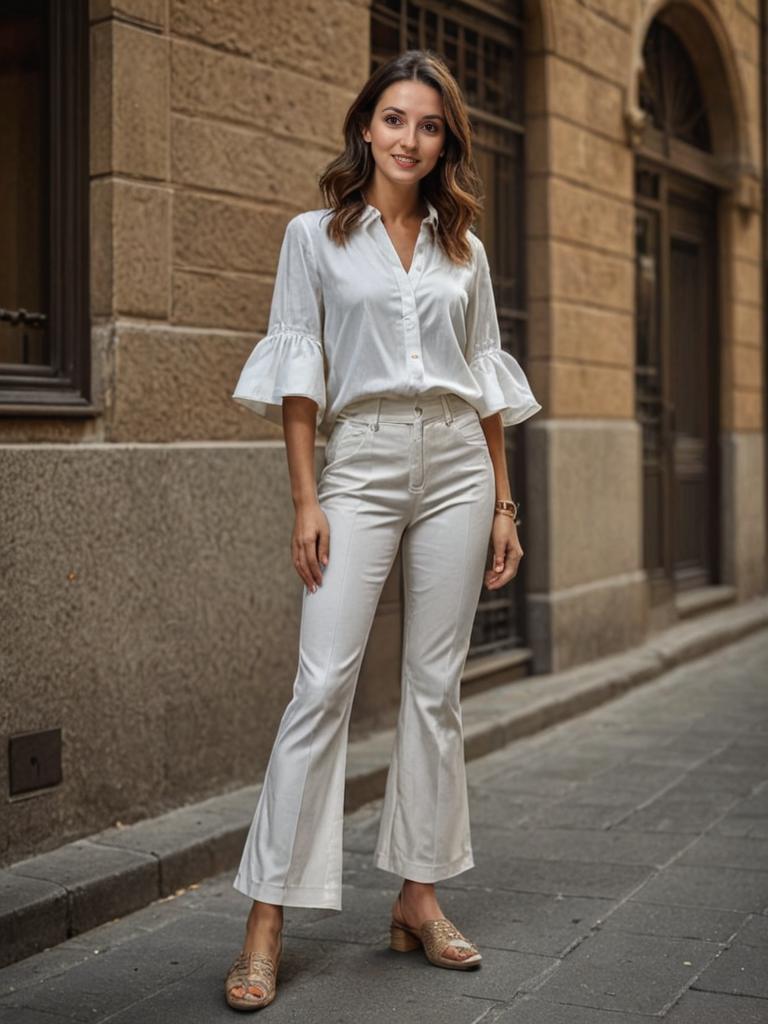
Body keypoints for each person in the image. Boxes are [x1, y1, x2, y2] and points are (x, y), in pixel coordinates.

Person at [223, 48, 542, 1011]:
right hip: (357, 463)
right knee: (320, 684)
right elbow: (298, 374)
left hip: (452, 460)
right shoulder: (311, 238)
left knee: (435, 687)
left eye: (430, 125)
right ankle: (266, 917)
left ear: (446, 142)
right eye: (396, 119)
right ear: (366, 126)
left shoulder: (464, 249)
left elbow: (483, 376)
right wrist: (306, 498)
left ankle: (417, 895)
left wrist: (502, 500)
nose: (411, 138)